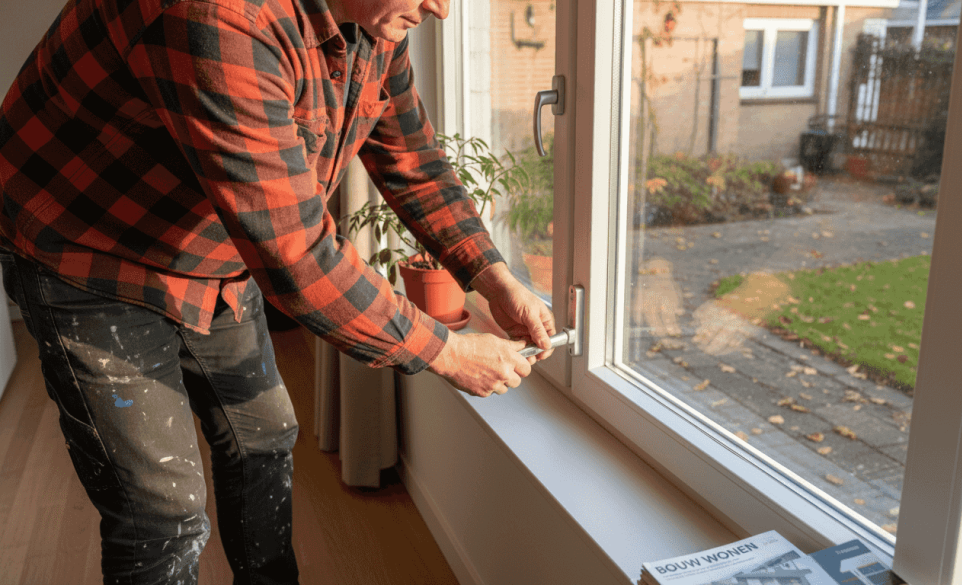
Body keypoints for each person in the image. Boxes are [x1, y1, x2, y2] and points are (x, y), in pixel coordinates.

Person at [0, 0, 556, 582]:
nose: (440, 9)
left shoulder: (376, 20)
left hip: (215, 244)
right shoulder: (219, 15)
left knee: (263, 440)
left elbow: (410, 156)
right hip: (88, 250)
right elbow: (297, 257)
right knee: (162, 513)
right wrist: (447, 352)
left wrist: (492, 276)